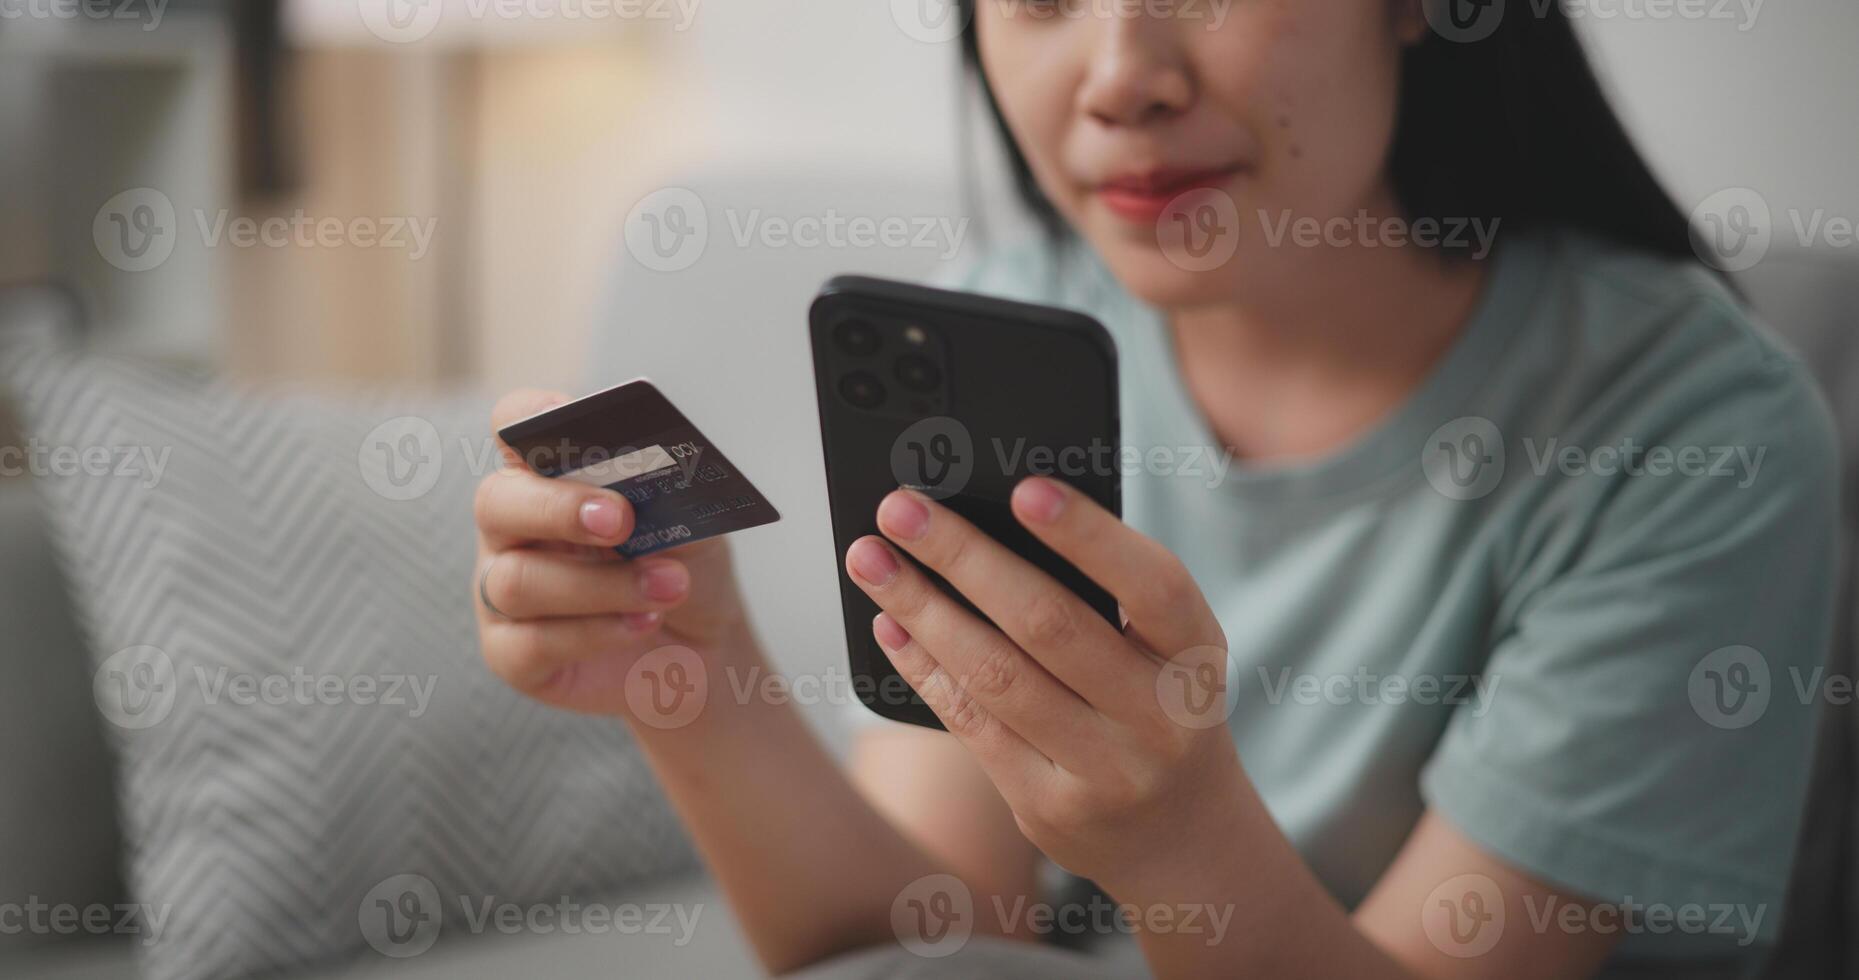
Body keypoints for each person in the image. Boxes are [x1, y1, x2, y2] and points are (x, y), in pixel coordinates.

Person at [469, 1, 1840, 976]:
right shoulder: (1003, 329)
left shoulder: (1691, 426)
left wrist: (1180, 844)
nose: (1123, 73)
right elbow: (923, 937)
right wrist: (696, 678)